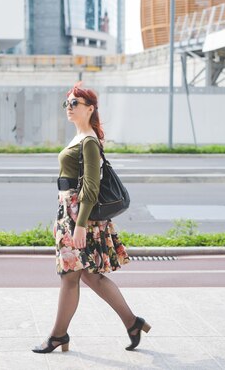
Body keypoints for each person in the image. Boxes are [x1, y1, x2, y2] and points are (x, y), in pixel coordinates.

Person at [32, 82, 151, 354]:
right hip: (69, 213)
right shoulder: (79, 138)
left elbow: (91, 187)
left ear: (90, 108)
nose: (69, 108)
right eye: (67, 103)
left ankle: (58, 336)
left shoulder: (88, 142)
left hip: (79, 217)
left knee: (71, 275)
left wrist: (81, 225)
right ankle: (133, 323)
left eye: (75, 103)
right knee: (89, 276)